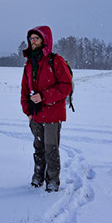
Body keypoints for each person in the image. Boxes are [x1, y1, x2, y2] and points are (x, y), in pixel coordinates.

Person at [20, 25, 73, 192]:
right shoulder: (29, 63)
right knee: (38, 148)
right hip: (35, 115)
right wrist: (27, 112)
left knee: (51, 149)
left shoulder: (55, 61)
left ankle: (52, 181)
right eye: (31, 38)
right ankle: (38, 177)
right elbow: (24, 89)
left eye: (36, 38)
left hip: (52, 114)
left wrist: (44, 96)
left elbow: (66, 86)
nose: (33, 41)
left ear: (45, 40)